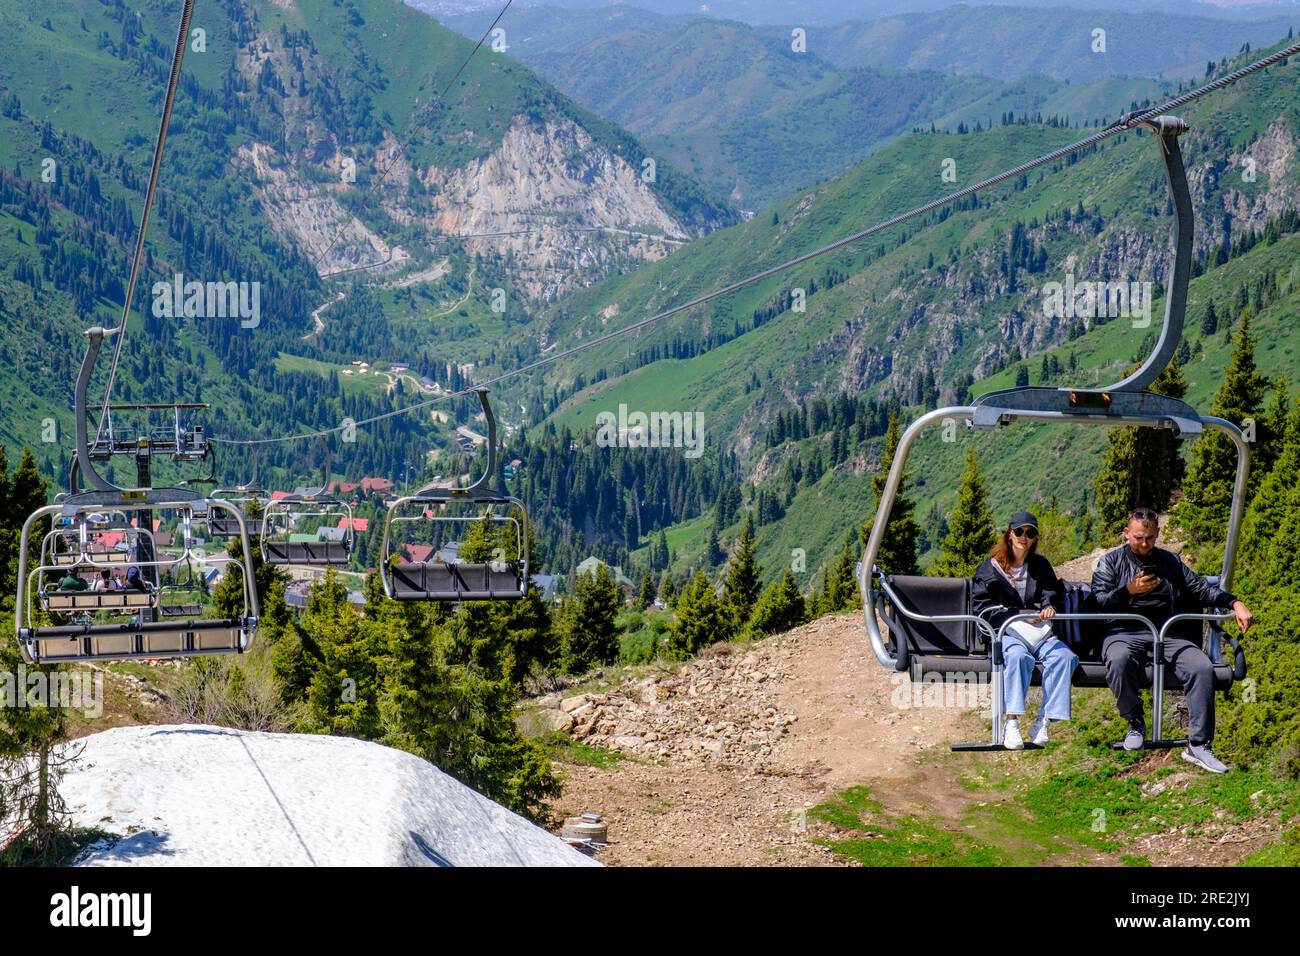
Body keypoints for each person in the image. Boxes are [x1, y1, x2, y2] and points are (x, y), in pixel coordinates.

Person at [1091, 509, 1252, 773]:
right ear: (1127, 534)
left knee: (1201, 667)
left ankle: (1199, 744)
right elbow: (1098, 601)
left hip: (1167, 634)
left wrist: (1234, 602)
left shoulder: (1169, 562)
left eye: (1150, 538)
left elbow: (1200, 589)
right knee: (1118, 660)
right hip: (1123, 631)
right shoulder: (1111, 562)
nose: (1145, 545)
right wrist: (1128, 591)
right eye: (1139, 538)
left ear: (1157, 535)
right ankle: (1135, 722)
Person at [972, 511, 1078, 750]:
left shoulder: (1040, 566)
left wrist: (1049, 607)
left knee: (1064, 657)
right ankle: (1011, 722)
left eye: (1029, 533)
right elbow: (982, 608)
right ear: (1009, 534)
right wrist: (1017, 615)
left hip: (1037, 631)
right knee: (1018, 657)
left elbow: (1051, 592)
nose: (1023, 537)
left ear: (1034, 538)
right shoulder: (990, 569)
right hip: (1007, 632)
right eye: (1019, 532)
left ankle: (1044, 720)